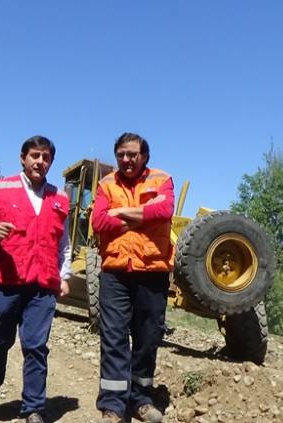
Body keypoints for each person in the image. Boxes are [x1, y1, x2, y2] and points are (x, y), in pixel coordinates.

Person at [0, 135, 71, 423]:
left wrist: (63, 276)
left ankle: (33, 408)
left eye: (46, 157)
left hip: (41, 287)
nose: (40, 161)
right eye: (35, 156)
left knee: (36, 347)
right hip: (4, 284)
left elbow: (63, 244)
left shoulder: (59, 199)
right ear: (23, 158)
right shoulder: (1, 189)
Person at [91, 132, 175, 423]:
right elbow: (99, 220)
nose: (126, 160)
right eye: (121, 155)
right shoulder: (106, 183)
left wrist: (122, 213)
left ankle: (140, 399)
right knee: (113, 338)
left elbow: (164, 210)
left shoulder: (162, 179)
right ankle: (112, 405)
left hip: (152, 272)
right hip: (115, 272)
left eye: (132, 154)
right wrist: (142, 217)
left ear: (145, 156)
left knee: (148, 338)